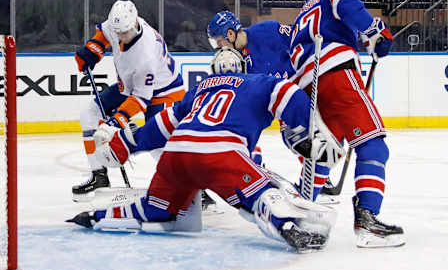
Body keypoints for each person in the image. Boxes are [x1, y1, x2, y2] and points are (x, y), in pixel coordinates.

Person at [67, 47, 341, 253]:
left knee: (157, 209)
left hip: (176, 156)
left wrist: (124, 145)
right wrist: (312, 129)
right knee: (263, 193)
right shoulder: (258, 81)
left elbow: (161, 125)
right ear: (242, 67)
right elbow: (288, 94)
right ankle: (286, 223)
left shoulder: (198, 90)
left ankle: (99, 217)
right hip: (221, 154)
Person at [287, 0, 405, 247]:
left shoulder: (299, 20)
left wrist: (369, 45)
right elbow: (346, 3)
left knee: (322, 159)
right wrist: (375, 31)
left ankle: (296, 214)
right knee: (373, 145)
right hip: (337, 75)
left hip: (309, 86)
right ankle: (368, 220)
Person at [206, 11, 336, 204]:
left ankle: (316, 180)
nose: (218, 48)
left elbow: (298, 39)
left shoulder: (267, 30)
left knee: (307, 137)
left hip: (298, 90)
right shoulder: (236, 62)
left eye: (219, 41)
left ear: (230, 34)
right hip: (278, 101)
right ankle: (315, 176)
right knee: (292, 138)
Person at [72, 0, 185, 201]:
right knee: (89, 114)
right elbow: (104, 34)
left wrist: (115, 122)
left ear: (135, 24)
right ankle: (99, 176)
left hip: (164, 90)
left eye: (125, 33)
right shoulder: (118, 25)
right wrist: (93, 50)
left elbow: (141, 99)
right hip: (130, 86)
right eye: (118, 33)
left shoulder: (145, 55)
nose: (121, 37)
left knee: (158, 142)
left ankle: (192, 189)